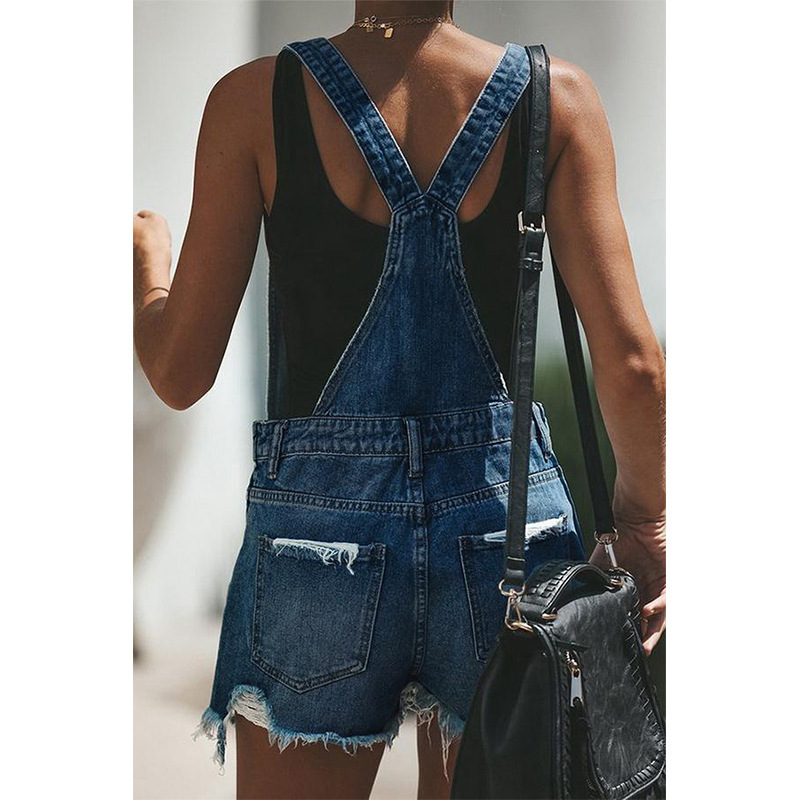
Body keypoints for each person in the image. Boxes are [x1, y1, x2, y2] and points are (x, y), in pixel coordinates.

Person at [133, 2, 666, 797]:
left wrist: (147, 272)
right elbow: (633, 364)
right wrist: (645, 525)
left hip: (316, 542)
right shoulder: (556, 100)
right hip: (503, 534)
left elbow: (180, 374)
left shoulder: (254, 101)